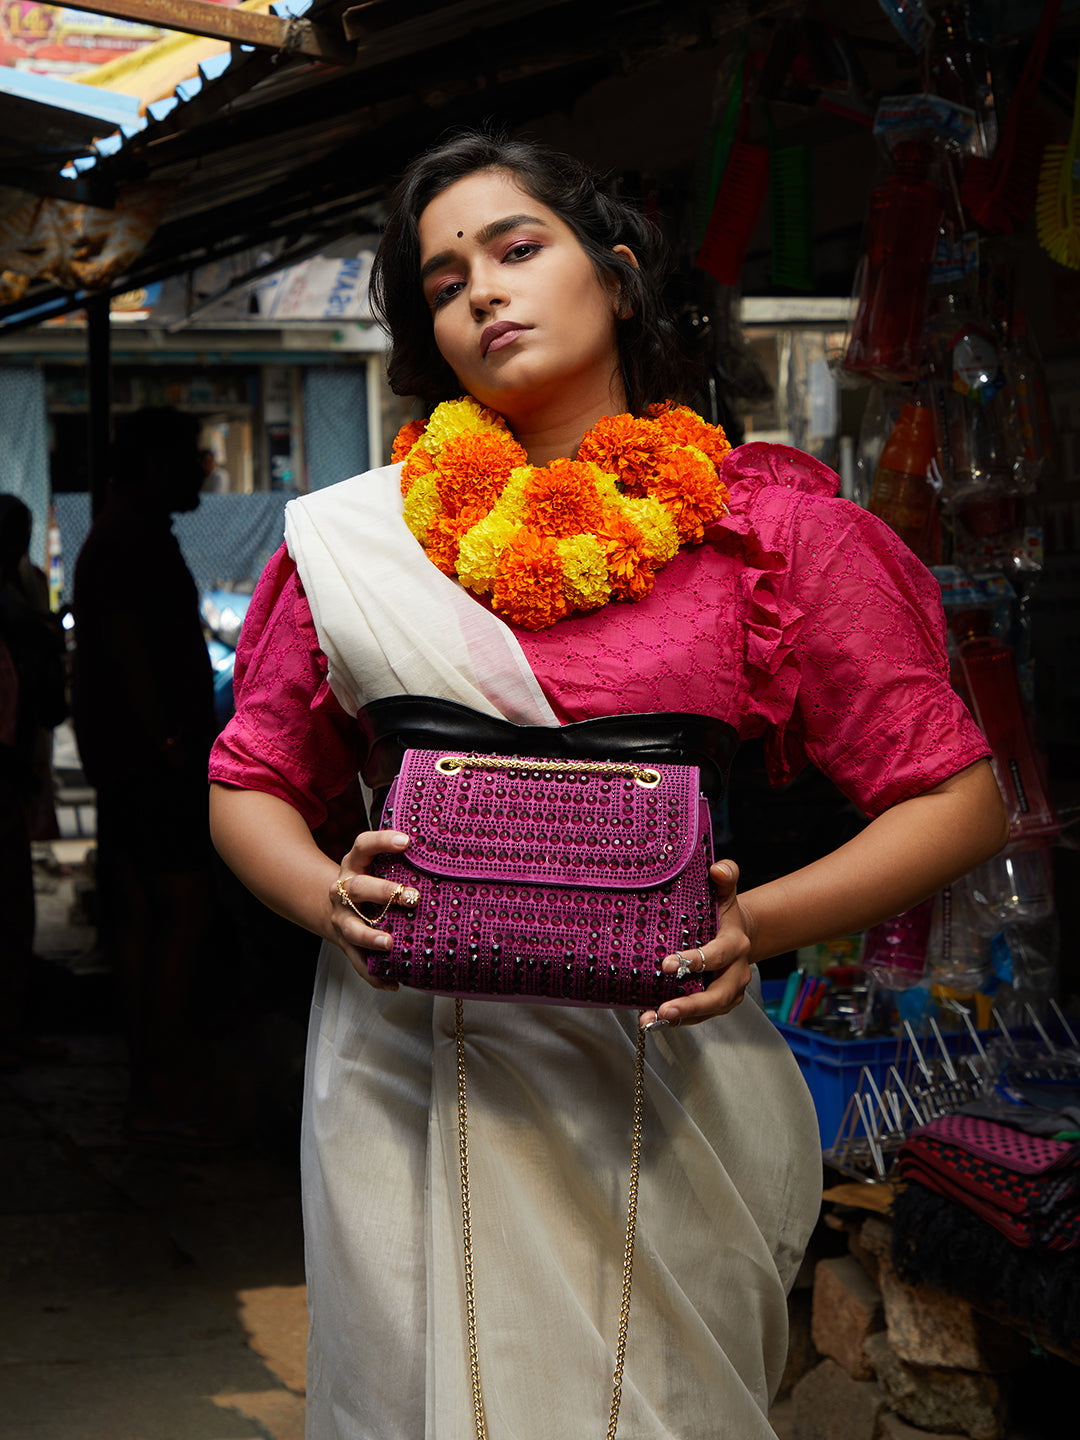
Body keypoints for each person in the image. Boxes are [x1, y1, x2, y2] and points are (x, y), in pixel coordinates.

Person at [208, 132, 1008, 1439]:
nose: (482, 289)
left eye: (517, 247)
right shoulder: (359, 543)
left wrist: (758, 923)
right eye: (444, 276)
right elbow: (246, 782)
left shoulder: (771, 527)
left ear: (620, 277)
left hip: (663, 1086)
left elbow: (959, 798)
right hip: (416, 1083)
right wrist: (322, 895)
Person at [72, 409, 220, 1140]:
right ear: (154, 464)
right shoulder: (131, 541)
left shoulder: (121, 532)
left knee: (140, 914)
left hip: (130, 760)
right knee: (179, 912)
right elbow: (130, 652)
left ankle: (149, 1074)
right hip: (153, 763)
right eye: (193, 456)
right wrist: (170, 742)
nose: (206, 469)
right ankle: (163, 1075)